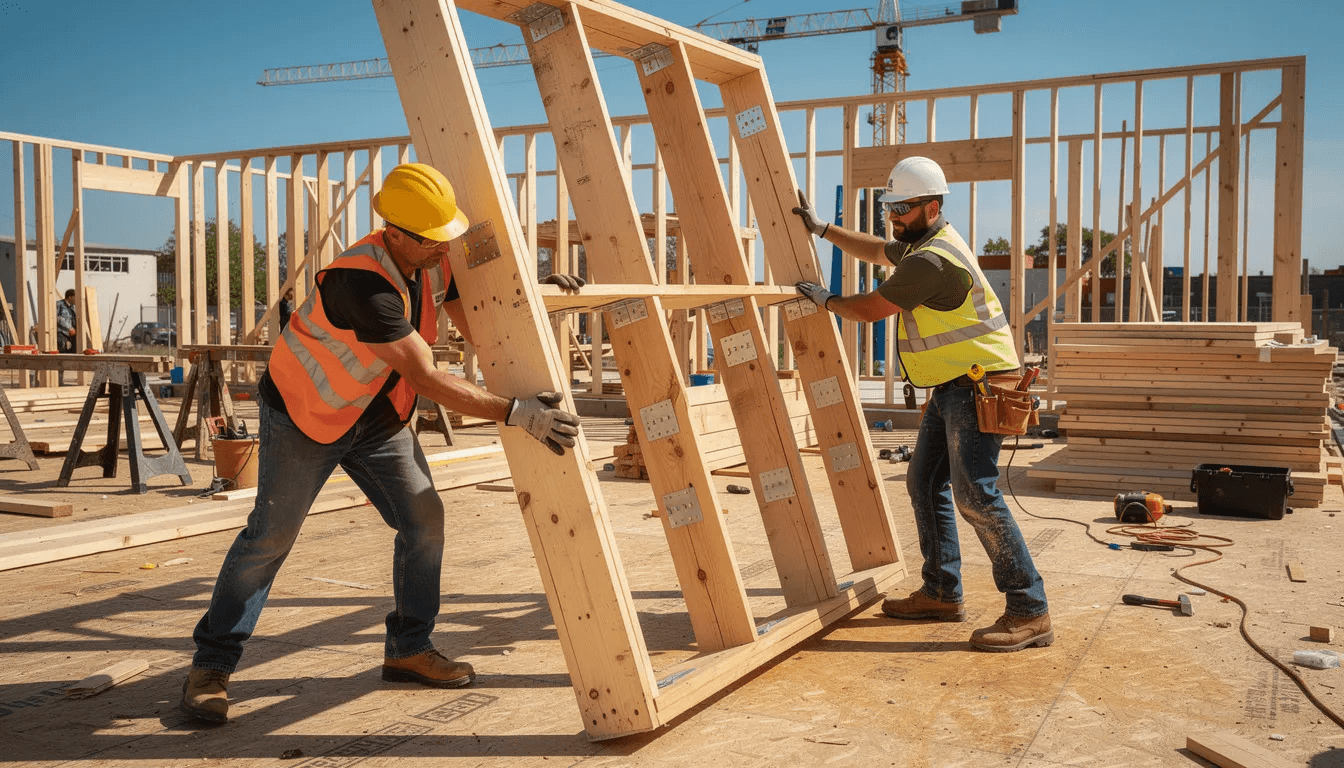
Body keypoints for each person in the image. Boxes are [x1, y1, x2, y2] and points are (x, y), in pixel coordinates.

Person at [182, 163, 585, 723]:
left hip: (375, 418)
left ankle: (409, 651)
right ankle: (211, 666)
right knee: (269, 538)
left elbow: (478, 323)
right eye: (432, 241)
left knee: (424, 520)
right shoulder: (360, 282)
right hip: (307, 413)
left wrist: (536, 297)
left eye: (447, 237)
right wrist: (515, 413)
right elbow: (427, 378)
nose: (445, 250)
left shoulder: (431, 256)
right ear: (394, 232)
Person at [791, 156, 1052, 653]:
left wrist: (827, 301)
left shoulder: (931, 260)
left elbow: (871, 308)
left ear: (933, 206)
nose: (895, 216)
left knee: (975, 494)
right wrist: (824, 229)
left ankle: (1029, 608)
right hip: (955, 385)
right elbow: (877, 250)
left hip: (979, 386)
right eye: (891, 207)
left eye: (905, 208)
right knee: (925, 481)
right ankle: (940, 592)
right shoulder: (922, 244)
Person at [56, 289, 77, 353]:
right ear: (70, 297)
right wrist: (69, 328)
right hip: (62, 334)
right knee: (63, 351)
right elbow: (57, 318)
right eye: (76, 297)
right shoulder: (59, 304)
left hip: (71, 335)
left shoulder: (73, 307)